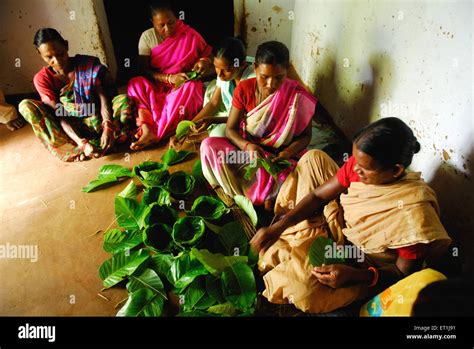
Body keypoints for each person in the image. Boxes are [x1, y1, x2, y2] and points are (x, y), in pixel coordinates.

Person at [250, 117, 452, 313]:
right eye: (355, 159)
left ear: (396, 170)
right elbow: (318, 195)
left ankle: (302, 243)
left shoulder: (414, 218)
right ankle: (300, 238)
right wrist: (281, 225)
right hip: (342, 224)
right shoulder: (359, 165)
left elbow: (401, 274)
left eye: (364, 168)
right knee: (313, 160)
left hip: (361, 264)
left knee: (303, 289)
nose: (355, 168)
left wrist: (356, 276)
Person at [200, 41, 316, 210]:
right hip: (250, 154)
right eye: (264, 77)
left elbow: (306, 136)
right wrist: (247, 146)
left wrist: (287, 152)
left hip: (281, 159)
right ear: (254, 68)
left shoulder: (298, 95)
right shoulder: (245, 89)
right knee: (209, 146)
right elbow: (231, 129)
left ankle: (263, 192)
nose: (271, 84)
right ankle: (265, 193)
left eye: (279, 78)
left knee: (301, 175)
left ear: (287, 72)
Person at [18, 28, 133, 162]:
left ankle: (108, 135)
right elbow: (59, 114)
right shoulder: (42, 79)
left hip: (95, 115)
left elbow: (103, 97)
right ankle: (75, 147)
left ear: (66, 46)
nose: (57, 60)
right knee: (25, 105)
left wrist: (107, 125)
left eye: (60, 54)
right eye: (49, 57)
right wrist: (81, 142)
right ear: (39, 54)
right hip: (67, 124)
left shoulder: (87, 64)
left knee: (124, 100)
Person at [127, 0, 213, 150]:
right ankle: (147, 129)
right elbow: (142, 71)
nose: (168, 29)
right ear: (152, 22)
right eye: (161, 25)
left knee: (192, 87)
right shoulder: (147, 38)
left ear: (177, 18)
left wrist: (204, 61)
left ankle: (159, 133)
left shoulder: (188, 33)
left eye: (171, 23)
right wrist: (168, 78)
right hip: (157, 84)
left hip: (182, 84)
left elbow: (209, 55)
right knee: (136, 83)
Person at [169, 37, 255, 149]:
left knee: (218, 134)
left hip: (246, 121)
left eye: (226, 70)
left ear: (241, 65)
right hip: (230, 116)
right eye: (216, 67)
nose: (219, 74)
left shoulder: (252, 79)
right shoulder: (223, 74)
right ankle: (208, 133)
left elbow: (246, 117)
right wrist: (187, 128)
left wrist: (213, 120)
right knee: (209, 96)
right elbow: (214, 103)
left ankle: (208, 136)